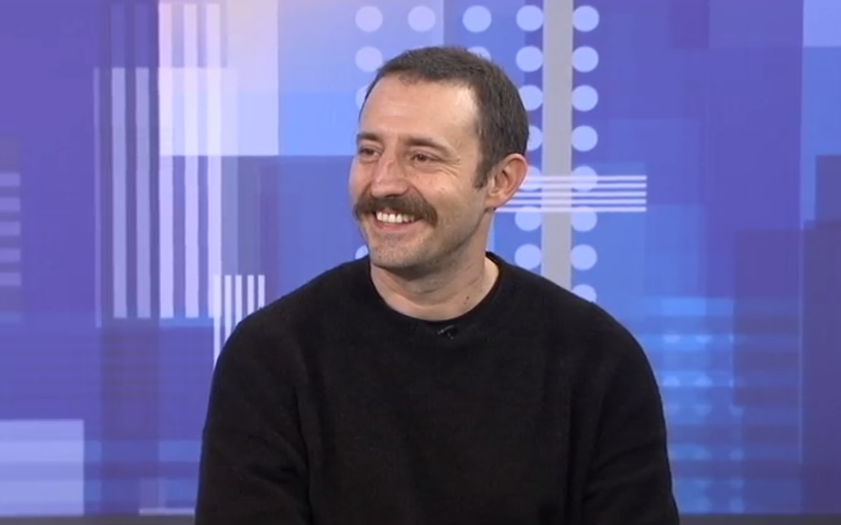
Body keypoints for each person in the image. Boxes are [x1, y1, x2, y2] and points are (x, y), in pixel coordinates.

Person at [195, 46, 679, 524]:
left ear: (500, 181)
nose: (384, 183)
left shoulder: (597, 363)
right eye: (369, 151)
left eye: (422, 157)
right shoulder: (273, 357)